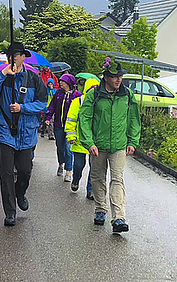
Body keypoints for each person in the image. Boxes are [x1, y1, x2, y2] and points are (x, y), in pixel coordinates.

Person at [0, 42, 49, 227]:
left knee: (25, 171)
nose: (14, 58)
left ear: (23, 57)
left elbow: (43, 102)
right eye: (11, 55)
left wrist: (23, 108)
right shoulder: (2, 76)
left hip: (26, 133)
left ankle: (20, 193)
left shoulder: (34, 79)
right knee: (6, 173)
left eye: (17, 55)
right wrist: (3, 74)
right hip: (5, 132)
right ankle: (10, 211)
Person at [78, 58, 141, 234]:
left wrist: (132, 141)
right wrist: (89, 142)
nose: (118, 79)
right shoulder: (94, 95)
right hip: (98, 145)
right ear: (105, 77)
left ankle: (119, 218)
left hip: (119, 145)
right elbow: (84, 118)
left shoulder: (127, 95)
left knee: (117, 179)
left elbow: (134, 119)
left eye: (120, 76)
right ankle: (100, 209)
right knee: (97, 178)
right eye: (114, 76)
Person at [65, 77, 100, 200]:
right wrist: (71, 136)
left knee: (94, 168)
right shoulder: (78, 102)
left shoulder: (101, 102)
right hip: (80, 141)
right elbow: (71, 120)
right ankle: (76, 179)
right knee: (79, 165)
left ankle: (90, 190)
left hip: (95, 142)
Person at [44, 73, 81, 182]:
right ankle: (61, 164)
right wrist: (48, 117)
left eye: (63, 81)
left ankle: (69, 171)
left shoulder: (76, 95)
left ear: (69, 83)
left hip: (70, 128)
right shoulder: (58, 94)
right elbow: (52, 106)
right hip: (58, 125)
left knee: (68, 149)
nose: (60, 83)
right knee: (60, 147)